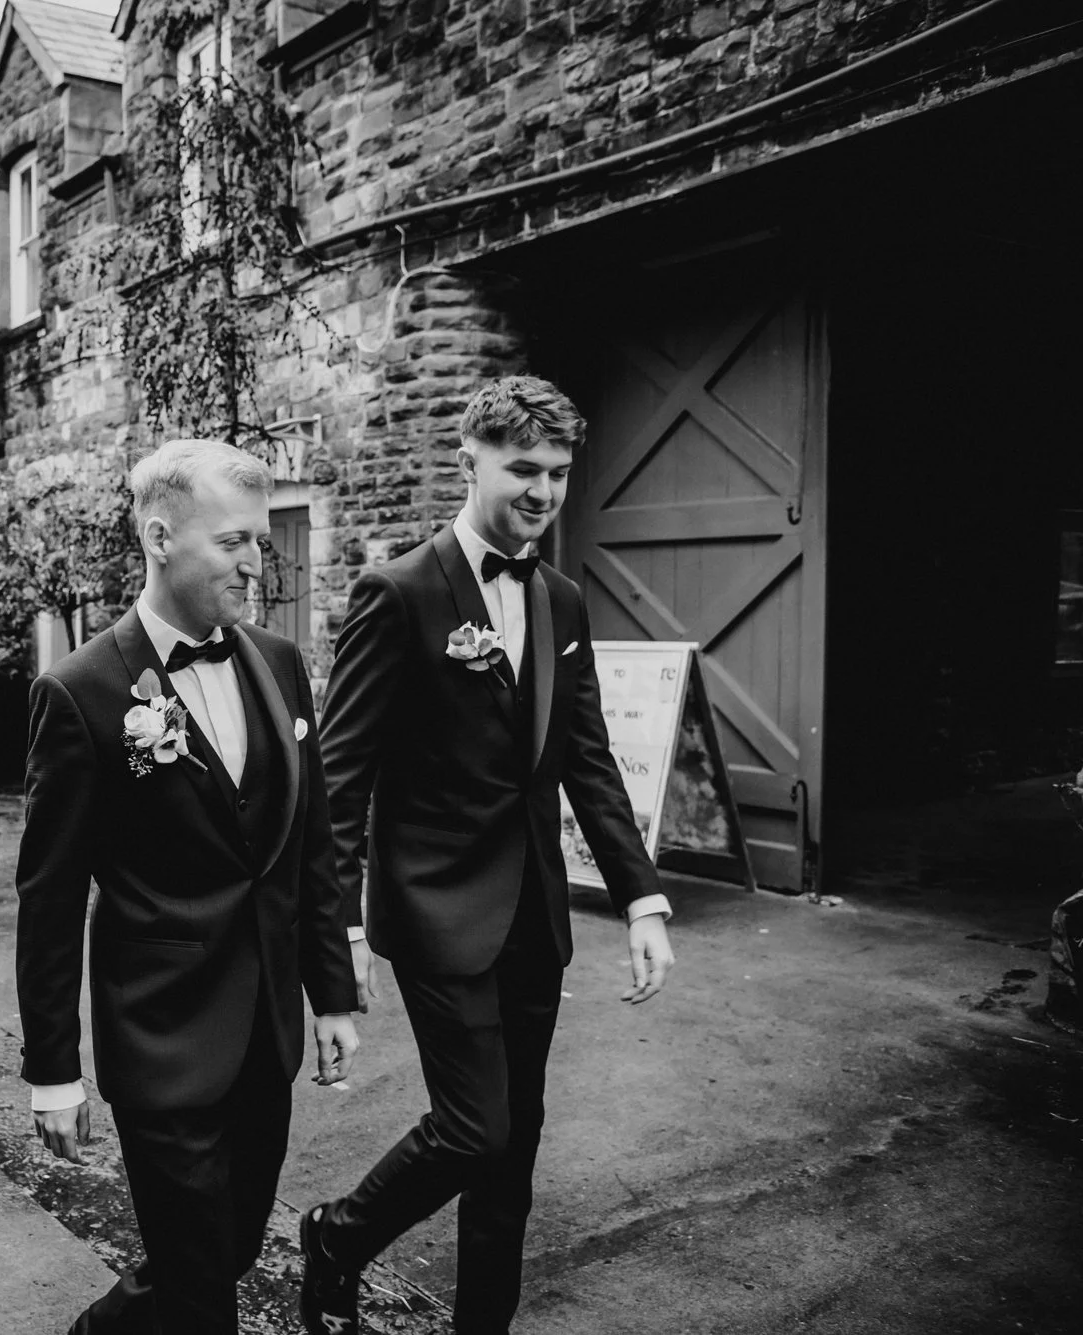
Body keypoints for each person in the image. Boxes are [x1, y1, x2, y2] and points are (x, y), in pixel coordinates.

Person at [300, 376, 676, 1335]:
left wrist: (641, 900)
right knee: (478, 1127)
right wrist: (336, 927)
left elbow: (586, 759)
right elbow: (340, 780)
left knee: (515, 1150)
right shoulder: (400, 592)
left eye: (557, 473)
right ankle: (339, 1234)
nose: (544, 492)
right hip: (433, 911)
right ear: (471, 462)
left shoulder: (561, 598)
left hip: (534, 920)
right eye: (523, 470)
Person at [15, 438, 363, 1335]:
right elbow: (49, 899)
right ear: (160, 536)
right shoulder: (82, 691)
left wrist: (331, 992)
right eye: (234, 542)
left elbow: (307, 843)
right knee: (205, 1290)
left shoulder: (280, 663)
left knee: (227, 1247)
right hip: (162, 1038)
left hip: (265, 1036)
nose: (257, 562)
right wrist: (52, 1070)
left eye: (260, 540)